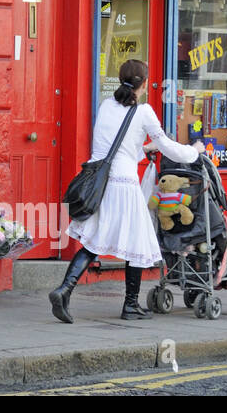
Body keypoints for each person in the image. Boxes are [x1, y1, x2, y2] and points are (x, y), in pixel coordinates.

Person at [50, 58, 203, 324]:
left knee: (92, 241)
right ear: (143, 84)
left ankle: (64, 290)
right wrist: (195, 151)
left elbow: (112, 146)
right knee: (138, 242)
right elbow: (169, 147)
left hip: (102, 182)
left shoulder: (107, 106)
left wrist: (142, 150)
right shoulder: (143, 112)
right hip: (124, 185)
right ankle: (130, 304)